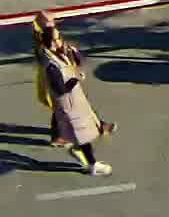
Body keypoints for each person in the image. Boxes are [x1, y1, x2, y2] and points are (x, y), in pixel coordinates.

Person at [33, 13, 112, 176]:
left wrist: (74, 54)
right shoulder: (51, 64)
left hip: (75, 102)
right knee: (83, 135)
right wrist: (76, 79)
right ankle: (92, 165)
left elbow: (74, 62)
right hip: (69, 104)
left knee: (83, 133)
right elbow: (60, 89)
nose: (59, 42)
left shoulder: (56, 52)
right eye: (55, 41)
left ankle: (78, 148)